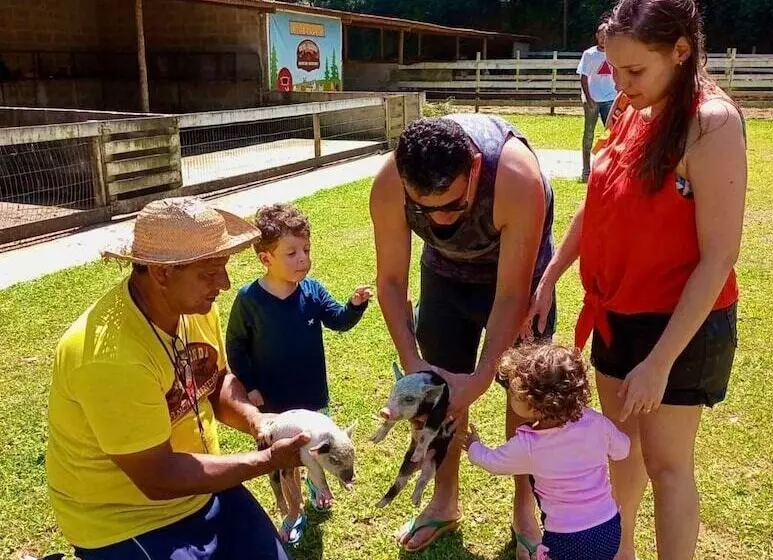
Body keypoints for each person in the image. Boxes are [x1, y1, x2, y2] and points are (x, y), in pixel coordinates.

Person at [528, 1, 747, 558]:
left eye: (634, 70)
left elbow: (719, 257)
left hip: (680, 324)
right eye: (614, 70)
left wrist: (660, 361)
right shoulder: (631, 108)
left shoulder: (711, 123)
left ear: (681, 52)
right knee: (622, 452)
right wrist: (552, 274)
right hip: (617, 313)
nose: (621, 86)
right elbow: (598, 203)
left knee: (668, 465)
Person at [46, 197, 308, 560]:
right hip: (126, 521)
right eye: (209, 273)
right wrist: (267, 460)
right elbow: (158, 477)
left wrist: (258, 421)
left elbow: (215, 380)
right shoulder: (109, 357)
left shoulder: (196, 306)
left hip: (202, 486)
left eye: (223, 268)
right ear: (162, 273)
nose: (225, 283)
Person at [370, 114, 556, 558]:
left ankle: (525, 508)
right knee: (439, 393)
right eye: (424, 209)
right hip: (445, 276)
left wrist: (481, 378)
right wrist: (415, 366)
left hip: (515, 277)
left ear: (473, 168)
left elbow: (511, 295)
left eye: (453, 205)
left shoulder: (516, 177)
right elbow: (391, 282)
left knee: (525, 395)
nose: (439, 219)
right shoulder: (390, 181)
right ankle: (444, 500)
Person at [225, 202, 372, 543]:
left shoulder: (313, 291)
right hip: (273, 406)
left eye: (306, 250)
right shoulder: (249, 300)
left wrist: (354, 306)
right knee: (284, 465)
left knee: (316, 453)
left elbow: (338, 321)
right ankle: (293, 510)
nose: (303, 259)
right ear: (266, 258)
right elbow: (236, 347)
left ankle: (316, 487)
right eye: (291, 253)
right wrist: (251, 386)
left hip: (313, 399)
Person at [463, 342, 630, 560]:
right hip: (608, 528)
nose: (511, 394)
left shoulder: (529, 445)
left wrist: (474, 446)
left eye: (514, 392)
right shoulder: (596, 423)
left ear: (534, 404)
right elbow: (623, 449)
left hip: (566, 538)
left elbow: (492, 462)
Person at [577, 21, 618, 182]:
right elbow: (583, 77)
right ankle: (586, 170)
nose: (603, 39)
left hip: (610, 99)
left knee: (612, 133)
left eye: (606, 36)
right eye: (601, 36)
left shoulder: (615, 53)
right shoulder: (589, 54)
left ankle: (610, 168)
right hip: (593, 100)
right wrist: (588, 99)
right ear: (596, 36)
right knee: (588, 134)